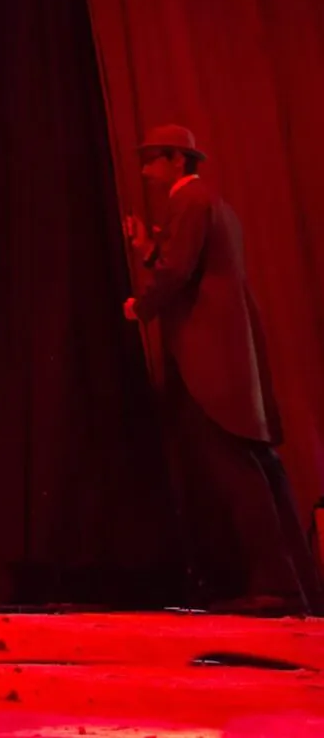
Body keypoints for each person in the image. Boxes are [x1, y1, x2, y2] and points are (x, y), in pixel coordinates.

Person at [124, 124, 322, 616]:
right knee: (260, 468)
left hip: (210, 359)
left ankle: (275, 586)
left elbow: (176, 273)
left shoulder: (189, 202)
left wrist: (140, 306)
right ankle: (295, 582)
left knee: (237, 472)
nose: (146, 168)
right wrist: (149, 248)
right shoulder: (215, 205)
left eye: (153, 159)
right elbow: (184, 264)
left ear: (176, 160)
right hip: (230, 358)